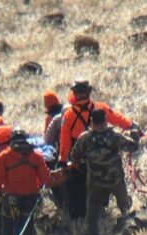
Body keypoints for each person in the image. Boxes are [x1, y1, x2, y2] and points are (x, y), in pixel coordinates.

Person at [58, 79, 139, 220]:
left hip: (80, 163)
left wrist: (63, 162)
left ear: (74, 94)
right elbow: (118, 119)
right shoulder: (100, 108)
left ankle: (84, 225)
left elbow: (64, 142)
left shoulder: (68, 115)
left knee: (80, 196)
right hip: (103, 162)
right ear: (89, 91)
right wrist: (132, 125)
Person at [70, 109, 139, 235]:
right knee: (124, 206)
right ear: (105, 121)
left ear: (91, 122)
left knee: (93, 212)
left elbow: (74, 156)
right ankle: (128, 230)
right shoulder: (115, 136)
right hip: (116, 180)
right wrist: (134, 135)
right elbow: (134, 147)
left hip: (95, 182)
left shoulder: (84, 138)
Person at [0, 129, 50, 235]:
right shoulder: (37, 156)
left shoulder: (3, 156)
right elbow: (45, 179)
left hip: (11, 199)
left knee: (8, 227)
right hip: (31, 198)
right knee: (27, 226)